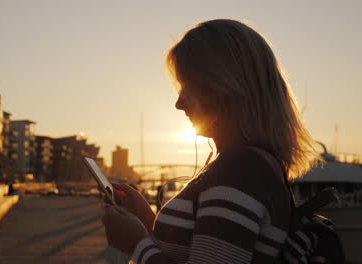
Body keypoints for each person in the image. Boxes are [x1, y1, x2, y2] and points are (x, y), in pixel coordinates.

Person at [102, 19, 318, 264]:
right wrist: (147, 222)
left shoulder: (241, 168)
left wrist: (136, 244)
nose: (178, 103)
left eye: (186, 87)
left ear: (222, 86)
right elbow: (201, 250)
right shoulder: (250, 165)